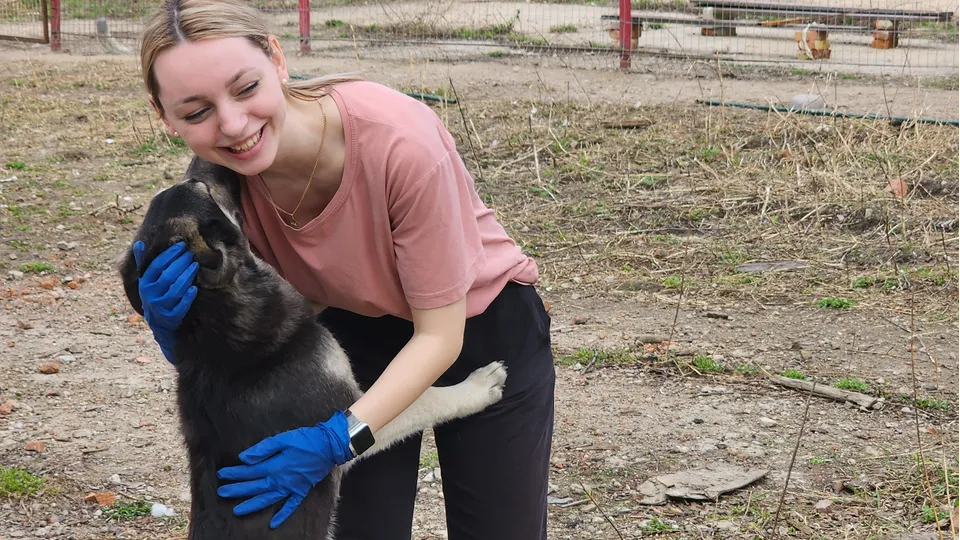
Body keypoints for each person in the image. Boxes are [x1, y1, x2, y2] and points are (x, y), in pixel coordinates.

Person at [131, 0, 556, 538]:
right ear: (163, 115)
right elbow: (264, 326)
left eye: (245, 88)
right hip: (353, 332)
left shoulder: (401, 141)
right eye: (196, 112)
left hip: (477, 325)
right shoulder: (215, 186)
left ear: (277, 60)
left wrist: (341, 439)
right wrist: (181, 329)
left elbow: (439, 336)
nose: (233, 125)